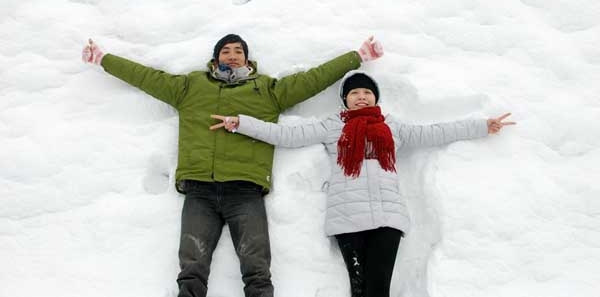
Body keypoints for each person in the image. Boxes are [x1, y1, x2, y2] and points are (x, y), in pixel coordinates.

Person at [81, 34, 383, 297]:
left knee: (257, 268)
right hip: (199, 189)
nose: (232, 55)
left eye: (238, 51)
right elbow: (146, 77)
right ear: (216, 59)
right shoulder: (190, 86)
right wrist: (104, 59)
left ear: (247, 59)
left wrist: (356, 56)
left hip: (245, 190)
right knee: (191, 268)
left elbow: (313, 79)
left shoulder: (268, 90)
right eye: (226, 51)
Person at [210, 70, 515, 297]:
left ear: (375, 98)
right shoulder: (333, 126)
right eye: (354, 93)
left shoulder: (392, 127)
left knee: (378, 288)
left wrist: (481, 126)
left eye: (367, 92)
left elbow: (435, 131)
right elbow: (286, 135)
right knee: (359, 289)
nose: (361, 97)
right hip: (347, 219)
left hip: (387, 218)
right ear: (345, 99)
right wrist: (241, 123)